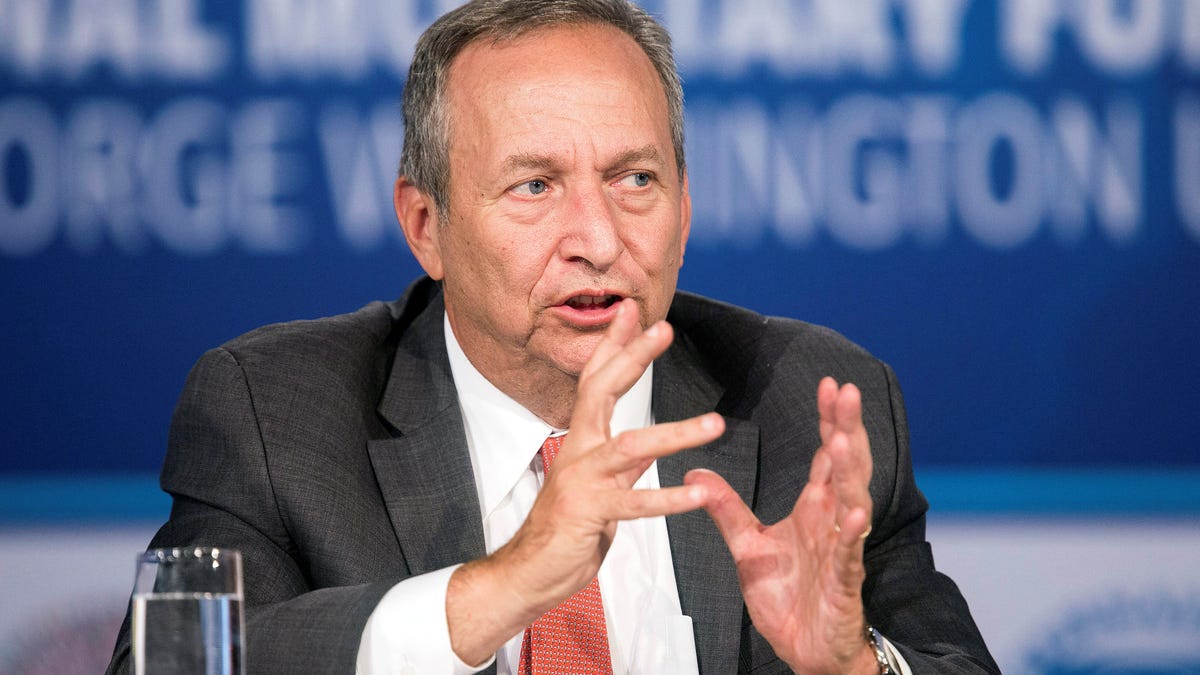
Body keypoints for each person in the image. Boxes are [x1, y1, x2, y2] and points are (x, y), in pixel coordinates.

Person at [107, 1, 997, 673]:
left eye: (634, 178)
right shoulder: (277, 414)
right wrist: (501, 587)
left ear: (684, 214)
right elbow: (174, 664)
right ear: (426, 224)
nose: (599, 240)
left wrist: (852, 666)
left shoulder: (810, 406)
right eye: (534, 186)